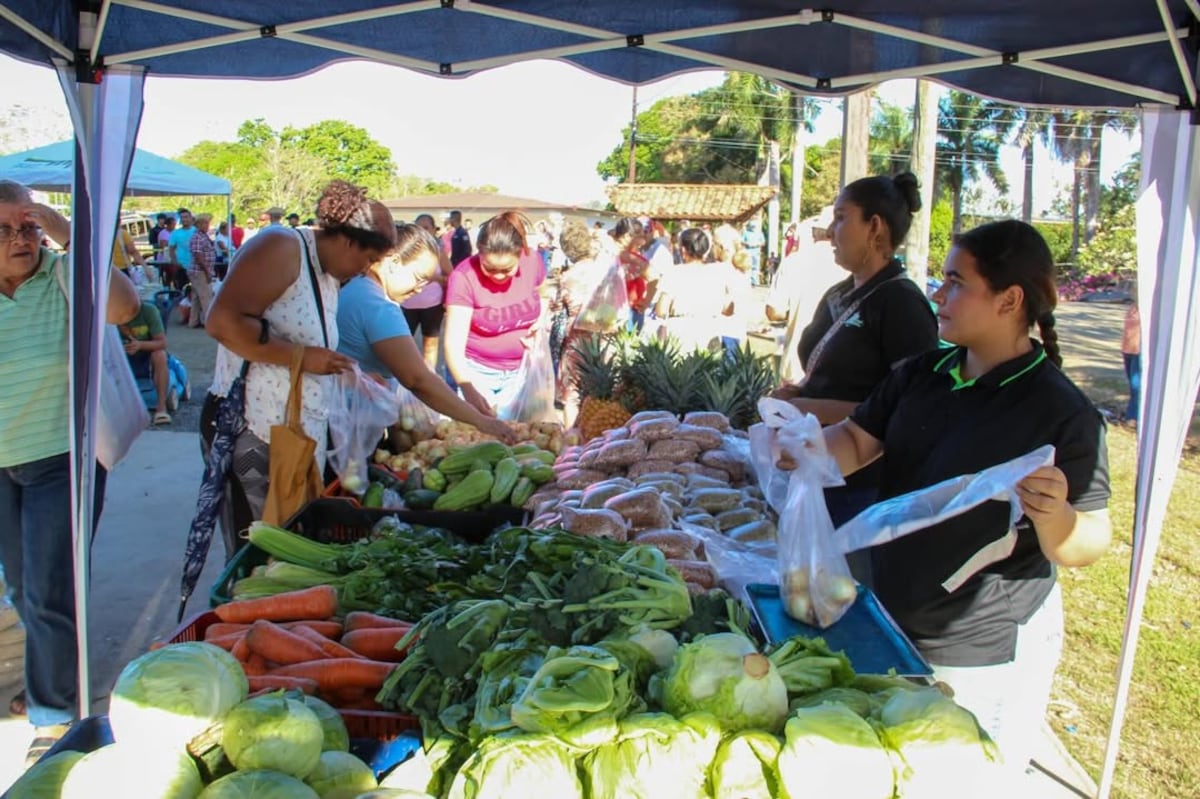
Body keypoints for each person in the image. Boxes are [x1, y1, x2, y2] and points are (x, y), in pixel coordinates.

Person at [814, 219, 1111, 783]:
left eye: (955, 283)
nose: (938, 295)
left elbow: (1089, 541)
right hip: (892, 618)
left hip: (979, 647)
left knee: (964, 781)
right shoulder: (923, 373)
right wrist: (804, 450)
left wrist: (1058, 516)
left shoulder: (1060, 411)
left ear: (1009, 300)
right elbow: (856, 441)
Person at [0, 179, 141, 761]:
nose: (19, 239)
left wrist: (69, 234)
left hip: (62, 458)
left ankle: (54, 717)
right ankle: (53, 676)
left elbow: (125, 308)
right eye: (4, 230)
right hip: (3, 463)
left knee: (48, 586)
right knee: (22, 587)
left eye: (27, 227)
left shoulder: (64, 274)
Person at [204, 180, 397, 559]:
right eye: (368, 259)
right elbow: (222, 322)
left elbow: (303, 336)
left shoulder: (326, 273)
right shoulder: (281, 246)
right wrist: (302, 357)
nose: (366, 270)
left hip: (292, 434)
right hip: (253, 430)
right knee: (256, 550)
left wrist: (346, 372)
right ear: (348, 241)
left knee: (287, 545)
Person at [770, 173, 939, 535]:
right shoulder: (840, 293)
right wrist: (799, 392)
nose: (830, 231)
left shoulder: (902, 303)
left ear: (874, 226)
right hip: (817, 470)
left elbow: (910, 409)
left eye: (841, 217)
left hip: (864, 490)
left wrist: (810, 407)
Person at [336, 223, 514, 442]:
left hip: (342, 413)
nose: (420, 288)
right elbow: (418, 380)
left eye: (426, 282)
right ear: (394, 262)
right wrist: (481, 421)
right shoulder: (378, 306)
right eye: (418, 278)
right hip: (347, 427)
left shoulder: (358, 286)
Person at [443, 211, 546, 418]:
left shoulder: (533, 260)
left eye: (507, 269)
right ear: (479, 252)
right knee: (482, 432)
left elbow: (543, 293)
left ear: (520, 254)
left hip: (522, 370)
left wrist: (541, 319)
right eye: (489, 268)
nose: (498, 276)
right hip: (476, 372)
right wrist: (469, 389)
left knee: (519, 431)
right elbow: (453, 344)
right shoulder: (463, 277)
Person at [552, 221, 619, 425]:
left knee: (572, 396)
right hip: (606, 338)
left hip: (577, 341)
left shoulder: (567, 277)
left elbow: (557, 307)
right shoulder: (606, 271)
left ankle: (572, 438)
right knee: (602, 393)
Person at [653, 228, 745, 353]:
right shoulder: (716, 274)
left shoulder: (673, 273)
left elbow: (661, 310)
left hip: (681, 332)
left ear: (683, 250)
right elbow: (728, 310)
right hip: (709, 331)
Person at [401, 213, 453, 371]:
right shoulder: (404, 251)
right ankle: (406, 374)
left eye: (426, 227)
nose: (423, 231)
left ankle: (429, 373)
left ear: (433, 230)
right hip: (407, 304)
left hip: (432, 305)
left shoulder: (438, 252)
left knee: (430, 343)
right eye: (419, 227)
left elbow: (452, 277)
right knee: (404, 343)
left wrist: (435, 278)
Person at [120, 300, 173, 425]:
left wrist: (140, 345)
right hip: (122, 356)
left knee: (160, 355)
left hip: (147, 356)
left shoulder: (148, 311)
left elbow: (162, 343)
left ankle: (161, 407)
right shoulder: (109, 313)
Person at [187, 213, 217, 329]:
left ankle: (193, 321)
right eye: (205, 223)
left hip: (200, 270)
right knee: (206, 297)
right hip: (200, 271)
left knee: (197, 297)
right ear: (199, 224)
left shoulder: (203, 236)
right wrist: (207, 271)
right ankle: (209, 323)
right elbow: (198, 256)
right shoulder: (197, 237)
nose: (207, 225)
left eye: (207, 223)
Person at [1121, 294, 1140, 425]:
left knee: (1136, 385)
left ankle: (1133, 417)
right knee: (1132, 384)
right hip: (1127, 350)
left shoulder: (1149, 311)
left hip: (1139, 351)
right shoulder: (1132, 308)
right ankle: (1132, 413)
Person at [167, 207, 196, 291]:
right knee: (181, 290)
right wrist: (175, 262)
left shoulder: (197, 231)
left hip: (195, 267)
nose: (184, 219)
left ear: (190, 218)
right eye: (182, 217)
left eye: (186, 217)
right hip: (181, 267)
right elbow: (171, 249)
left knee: (196, 290)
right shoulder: (175, 233)